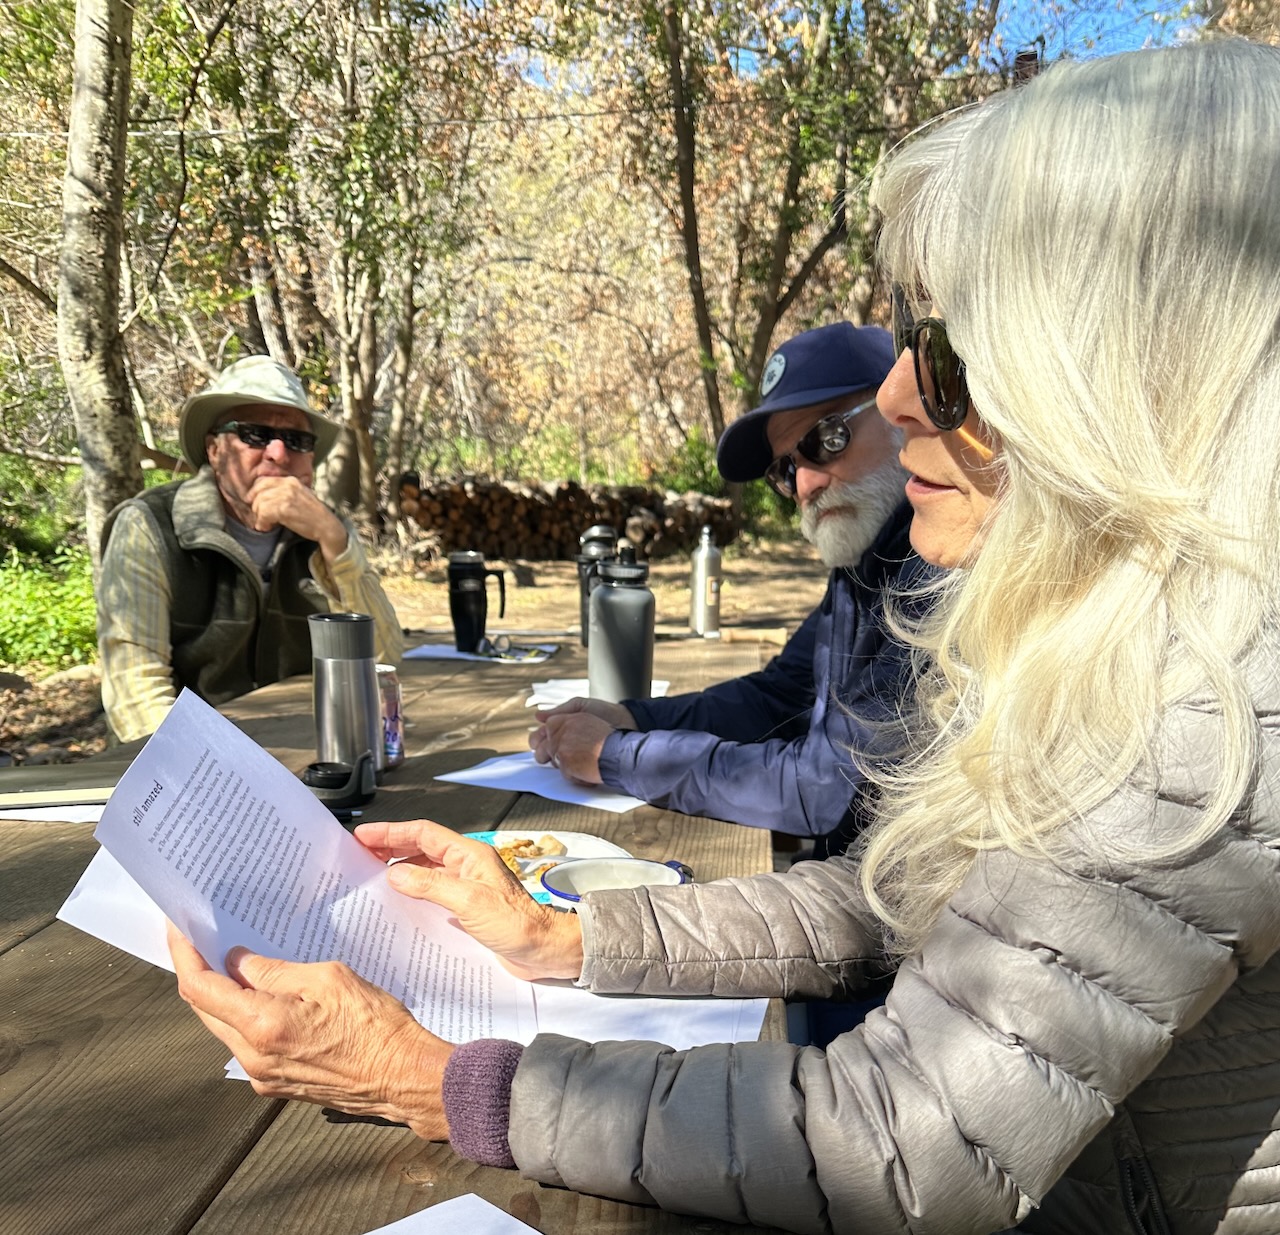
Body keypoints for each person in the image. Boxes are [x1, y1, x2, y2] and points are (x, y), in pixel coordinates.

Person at [170, 40, 1280, 1234]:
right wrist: (564, 931)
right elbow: (897, 893)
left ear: (1141, 375)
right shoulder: (1108, 630)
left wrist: (432, 1076)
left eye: (954, 353)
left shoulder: (1204, 702)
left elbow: (902, 1144)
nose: (900, 395)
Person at [532, 322, 920, 857]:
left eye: (827, 439)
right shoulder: (865, 562)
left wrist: (616, 755)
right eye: (786, 469)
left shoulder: (936, 571)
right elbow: (780, 695)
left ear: (903, 414)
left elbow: (824, 789)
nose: (806, 484)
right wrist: (635, 718)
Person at [98, 355, 402, 743]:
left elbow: (383, 659)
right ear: (214, 449)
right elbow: (137, 693)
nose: (279, 453)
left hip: (302, 744)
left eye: (297, 440)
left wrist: (336, 545)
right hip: (190, 756)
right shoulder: (150, 526)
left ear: (310, 459)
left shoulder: (327, 529)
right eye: (255, 434)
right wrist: (210, 768)